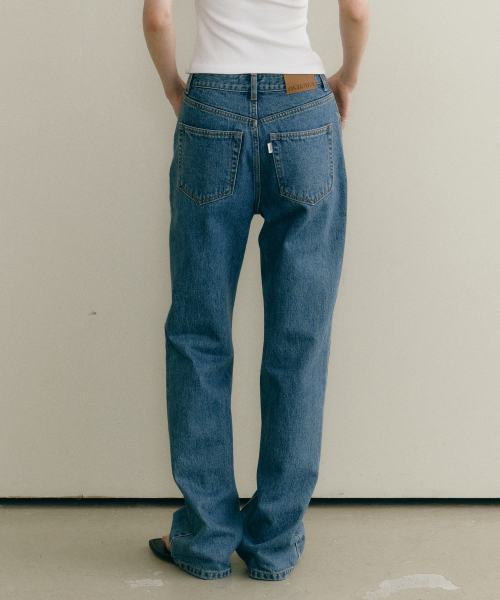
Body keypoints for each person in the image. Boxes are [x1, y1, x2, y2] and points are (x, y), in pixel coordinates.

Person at [143, 0, 370, 581]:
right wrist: (347, 77)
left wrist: (173, 87)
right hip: (303, 107)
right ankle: (273, 542)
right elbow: (356, 11)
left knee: (198, 334)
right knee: (300, 340)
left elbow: (159, 17)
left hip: (211, 105)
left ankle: (205, 538)